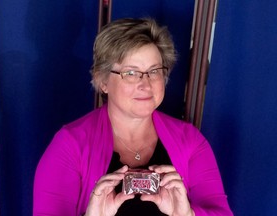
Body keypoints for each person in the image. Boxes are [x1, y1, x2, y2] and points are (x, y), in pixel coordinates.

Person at [33, 18, 233, 216]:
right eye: (130, 72)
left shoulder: (190, 140)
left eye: (154, 71)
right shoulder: (69, 145)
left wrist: (187, 215)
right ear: (102, 81)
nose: (145, 84)